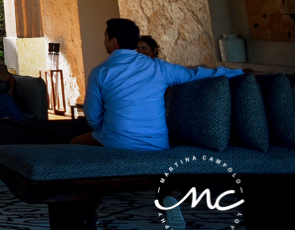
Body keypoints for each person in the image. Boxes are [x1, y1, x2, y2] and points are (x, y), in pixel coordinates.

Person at [72, 18, 242, 149]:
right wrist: (240, 72)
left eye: (105, 37)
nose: (104, 40)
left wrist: (110, 130)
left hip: (116, 143)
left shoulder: (101, 72)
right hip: (157, 145)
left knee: (74, 142)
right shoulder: (159, 68)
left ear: (114, 41)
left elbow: (92, 116)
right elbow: (198, 74)